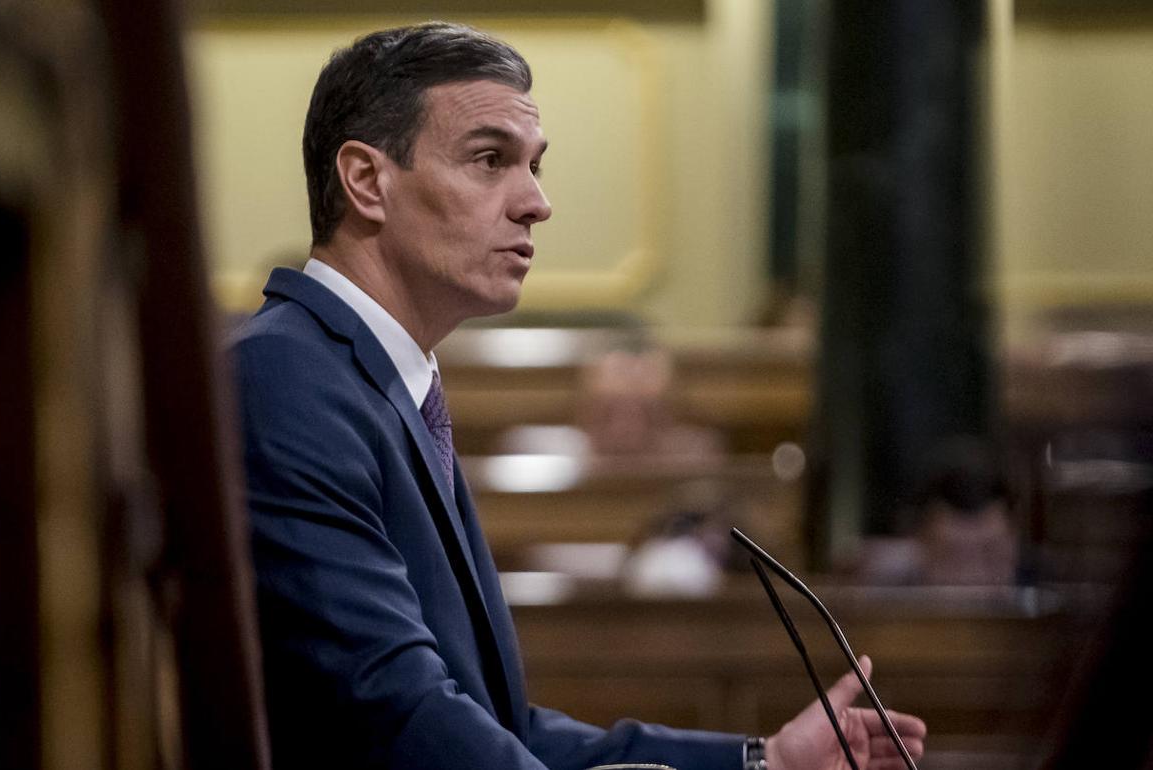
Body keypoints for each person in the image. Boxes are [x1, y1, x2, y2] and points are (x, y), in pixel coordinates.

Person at [232, 22, 926, 770]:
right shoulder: (285, 378)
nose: (536, 203)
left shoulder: (387, 381)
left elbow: (498, 728)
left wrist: (765, 762)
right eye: (490, 160)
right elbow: (394, 712)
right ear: (367, 181)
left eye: (533, 166)